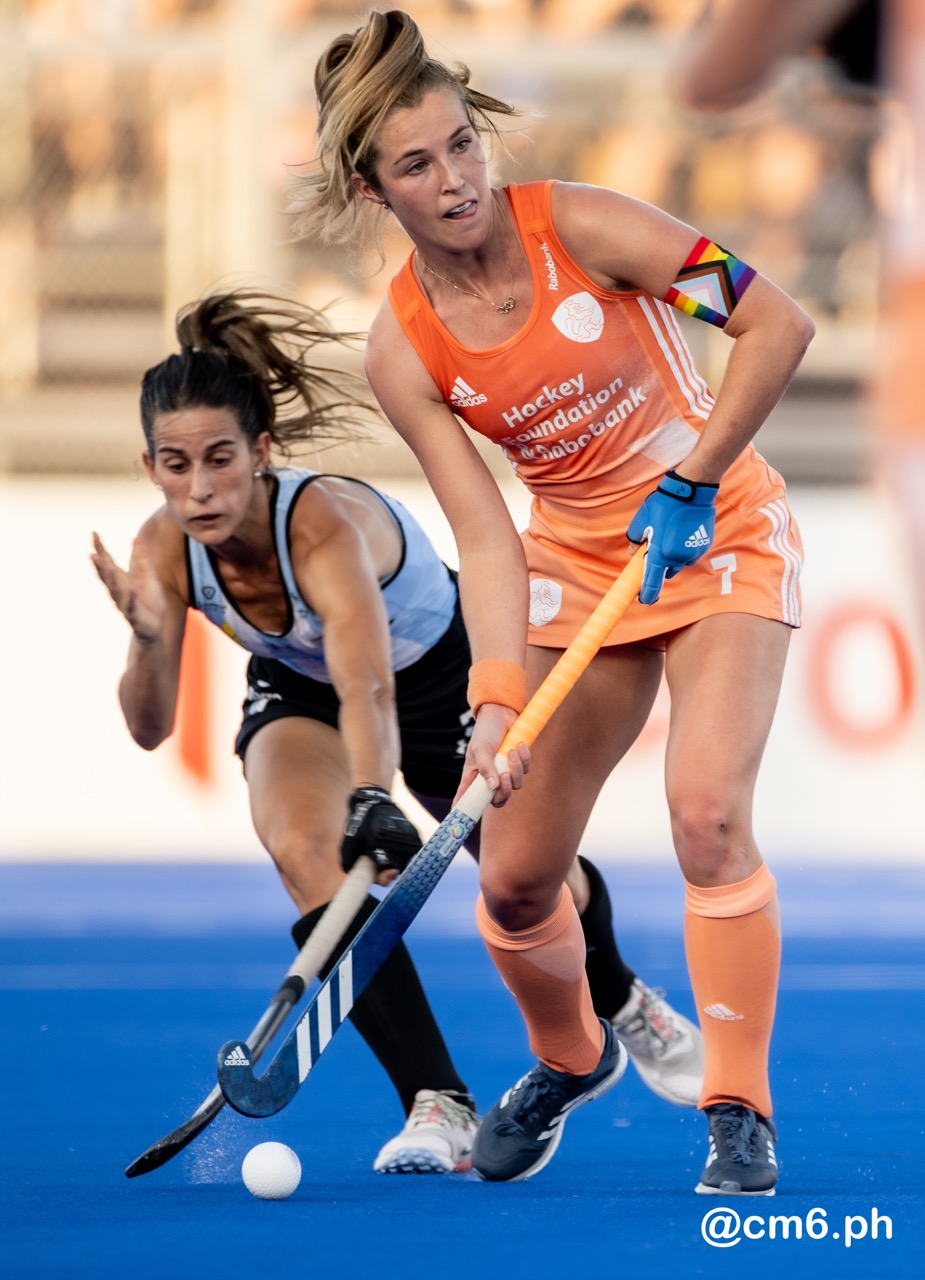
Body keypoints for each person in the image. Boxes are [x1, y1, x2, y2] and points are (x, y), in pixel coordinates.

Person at [294, 10, 815, 1193]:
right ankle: (572, 1055)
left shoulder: (590, 225)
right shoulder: (404, 346)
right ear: (378, 191)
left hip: (716, 529)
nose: (456, 179)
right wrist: (489, 699)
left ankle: (739, 1107)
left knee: (704, 817)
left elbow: (774, 318)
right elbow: (483, 530)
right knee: (516, 878)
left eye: (462, 145)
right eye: (418, 166)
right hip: (577, 570)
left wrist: (694, 473)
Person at [91, 288, 703, 1177]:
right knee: (304, 846)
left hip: (436, 677)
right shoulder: (161, 548)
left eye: (220, 460)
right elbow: (150, 728)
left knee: (521, 879)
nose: (200, 489)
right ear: (148, 465)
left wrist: (377, 792)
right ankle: (437, 1100)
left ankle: (619, 999)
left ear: (261, 453)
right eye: (175, 466)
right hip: (300, 687)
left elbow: (368, 682)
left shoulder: (322, 526)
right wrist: (149, 639)